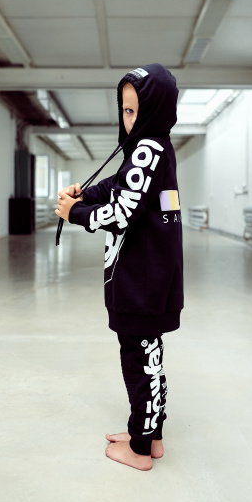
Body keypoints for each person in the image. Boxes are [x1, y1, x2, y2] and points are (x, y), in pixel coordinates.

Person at [55, 63, 184, 471]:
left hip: (140, 282)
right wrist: (85, 192)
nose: (129, 120)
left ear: (155, 109)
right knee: (148, 358)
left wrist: (75, 212)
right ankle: (150, 435)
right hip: (151, 279)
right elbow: (119, 184)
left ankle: (140, 450)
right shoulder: (155, 148)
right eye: (125, 111)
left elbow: (122, 212)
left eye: (136, 111)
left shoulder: (148, 149)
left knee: (138, 361)